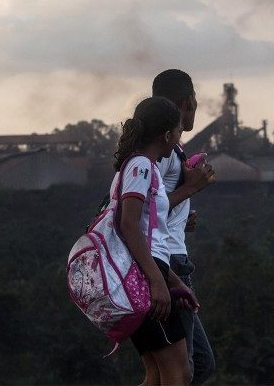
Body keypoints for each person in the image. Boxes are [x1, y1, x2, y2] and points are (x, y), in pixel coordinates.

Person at [112, 96, 198, 385]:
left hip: (149, 273)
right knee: (178, 375)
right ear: (166, 135)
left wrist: (173, 280)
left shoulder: (139, 166)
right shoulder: (142, 167)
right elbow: (129, 225)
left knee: (157, 376)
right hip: (146, 278)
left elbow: (146, 231)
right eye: (177, 133)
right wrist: (158, 282)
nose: (178, 140)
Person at [152, 69, 217, 384]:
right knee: (183, 370)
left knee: (199, 365)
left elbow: (158, 207)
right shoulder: (162, 154)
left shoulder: (173, 151)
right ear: (188, 101)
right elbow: (141, 215)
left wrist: (180, 220)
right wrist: (192, 188)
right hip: (170, 262)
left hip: (171, 255)